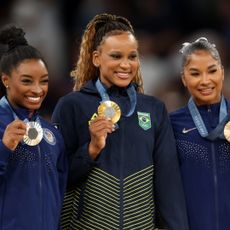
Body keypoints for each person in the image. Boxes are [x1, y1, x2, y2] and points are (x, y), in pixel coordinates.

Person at [52, 13, 189, 230]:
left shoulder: (153, 109)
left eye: (132, 56)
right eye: (116, 56)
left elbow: (168, 183)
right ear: (96, 58)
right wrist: (91, 149)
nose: (125, 65)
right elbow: (56, 178)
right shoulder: (71, 106)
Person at [0, 25, 67, 230]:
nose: (37, 90)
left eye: (44, 81)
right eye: (27, 81)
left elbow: (61, 190)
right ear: (6, 80)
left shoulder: (52, 135)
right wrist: (3, 148)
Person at [170, 37, 230, 230]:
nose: (205, 81)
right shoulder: (172, 124)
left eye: (212, 71)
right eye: (195, 73)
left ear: (222, 72)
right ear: (184, 78)